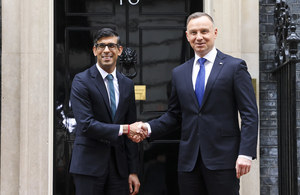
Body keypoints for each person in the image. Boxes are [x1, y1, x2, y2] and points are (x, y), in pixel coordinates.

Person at [131, 12, 258, 195]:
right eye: (193, 32)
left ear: (214, 32)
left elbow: (249, 114)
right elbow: (174, 116)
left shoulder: (234, 67)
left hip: (223, 160)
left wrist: (245, 154)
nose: (199, 37)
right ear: (187, 36)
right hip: (188, 163)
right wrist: (147, 128)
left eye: (204, 31)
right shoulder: (179, 73)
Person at [69, 28, 141, 195]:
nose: (106, 50)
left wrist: (133, 170)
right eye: (101, 46)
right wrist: (126, 129)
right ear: (94, 50)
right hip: (89, 166)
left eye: (111, 46)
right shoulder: (81, 81)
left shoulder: (127, 85)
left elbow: (130, 133)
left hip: (119, 169)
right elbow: (86, 125)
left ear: (119, 50)